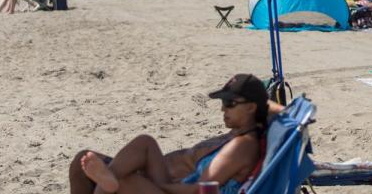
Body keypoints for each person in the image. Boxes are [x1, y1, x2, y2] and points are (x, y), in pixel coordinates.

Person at [69, 74, 285, 194]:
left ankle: (109, 184)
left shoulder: (243, 145)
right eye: (223, 102)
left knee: (126, 182)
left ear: (251, 108)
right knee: (144, 143)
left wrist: (158, 186)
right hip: (167, 179)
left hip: (178, 191)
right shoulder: (241, 130)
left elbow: (199, 189)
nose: (223, 109)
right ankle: (108, 182)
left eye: (230, 103)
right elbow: (278, 111)